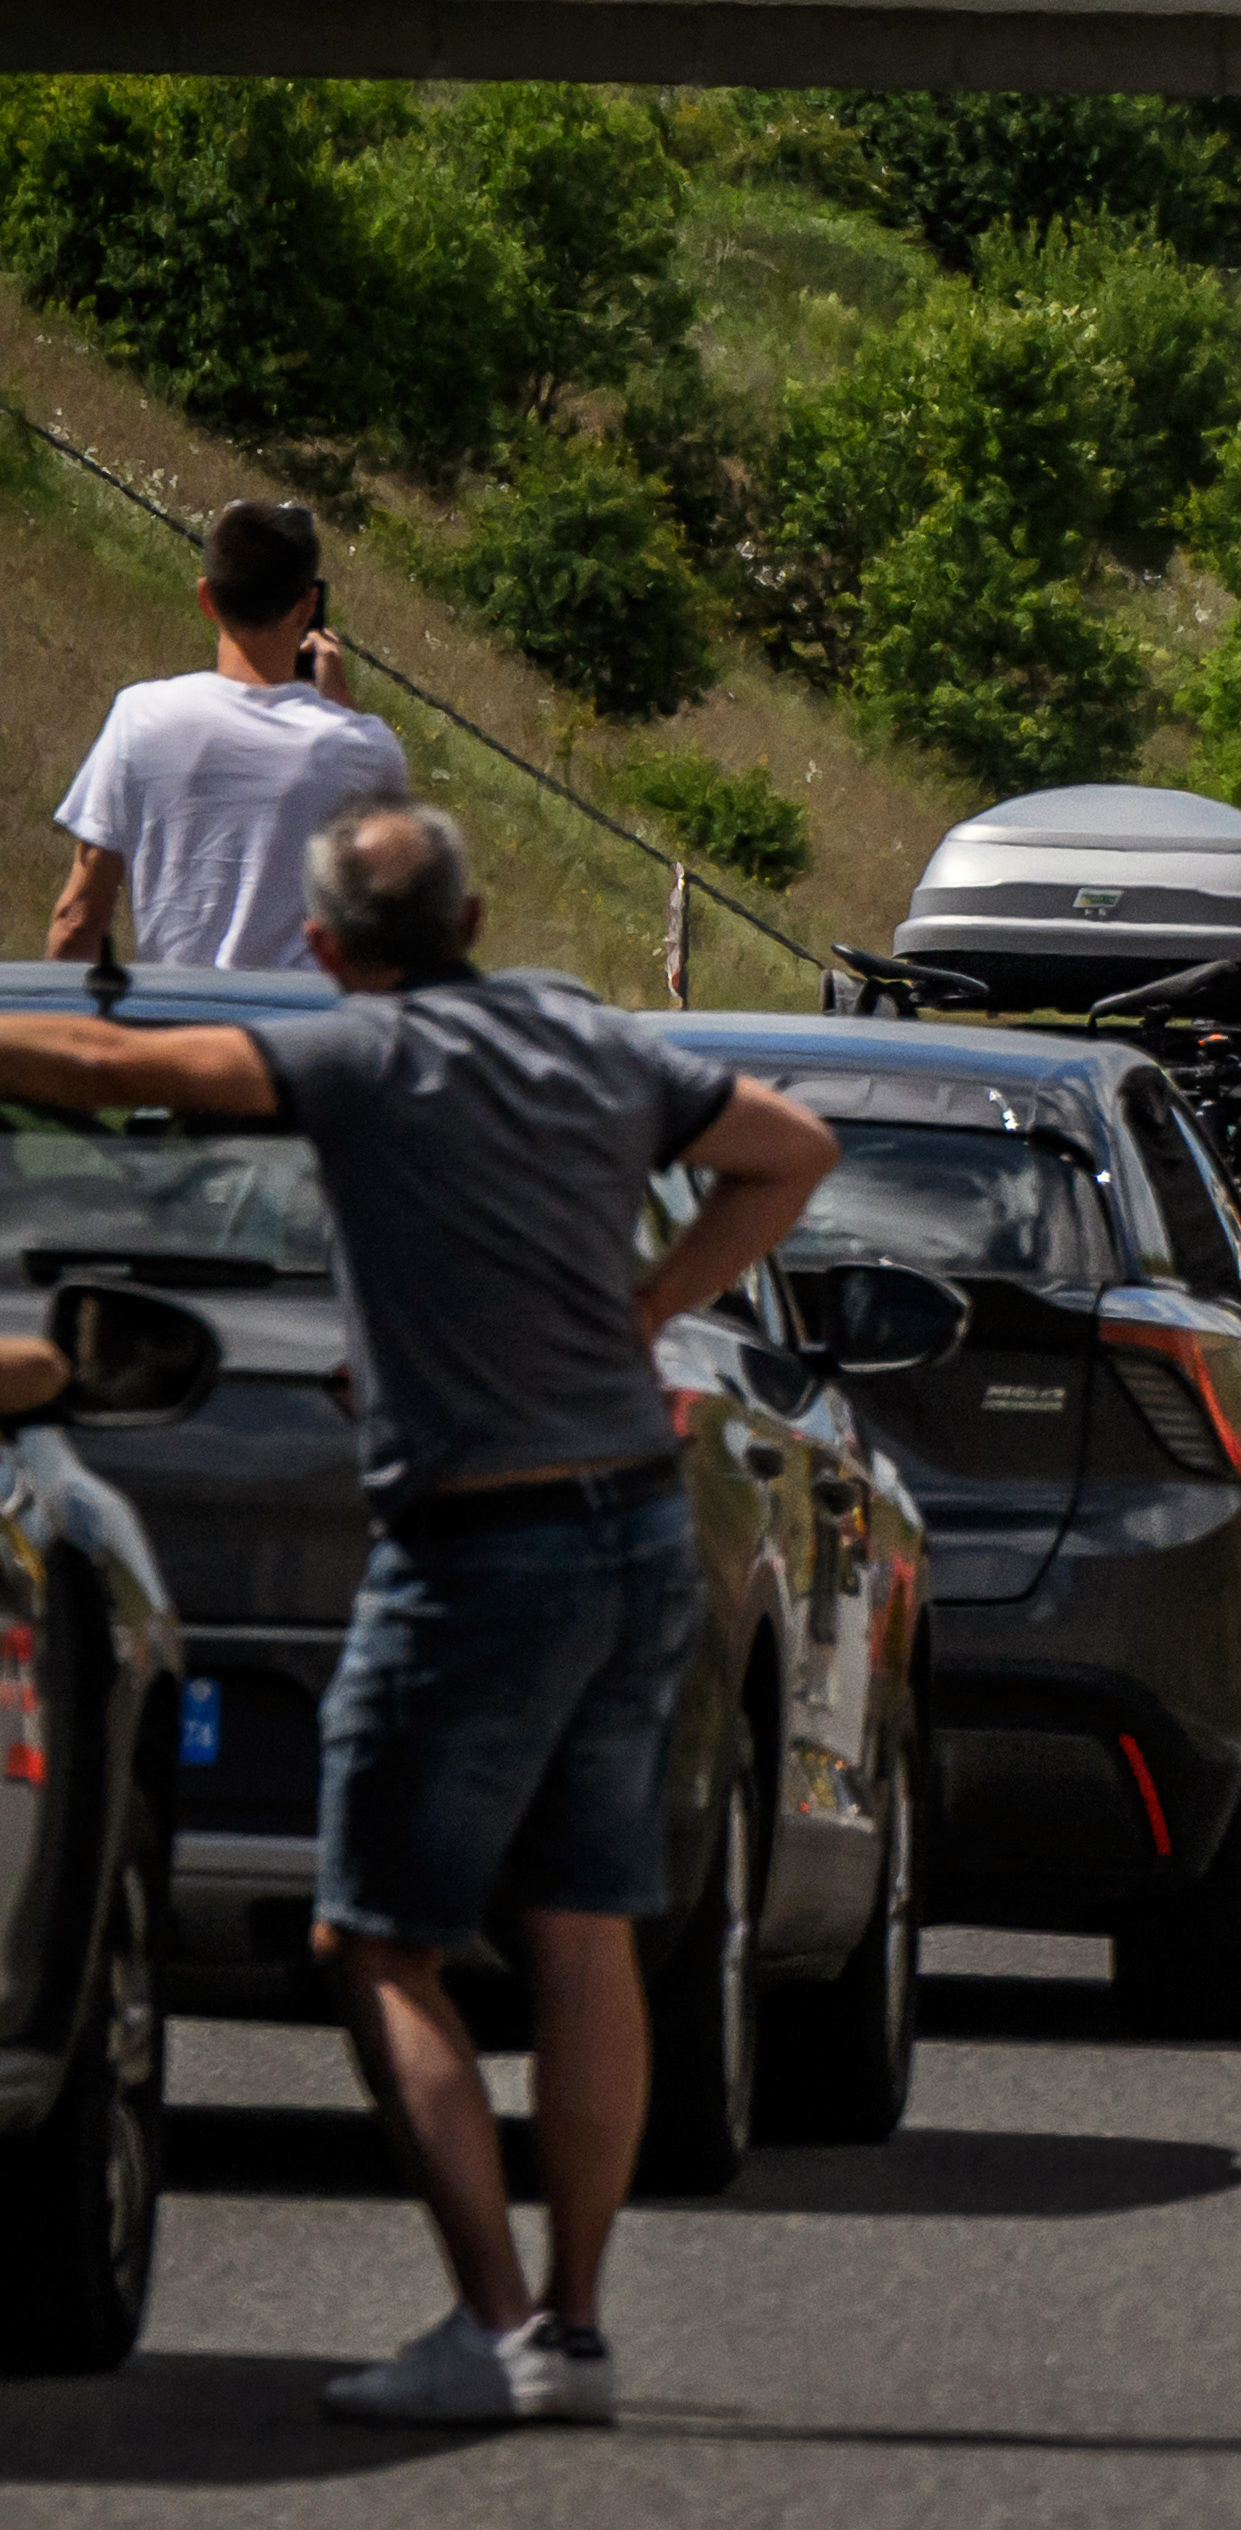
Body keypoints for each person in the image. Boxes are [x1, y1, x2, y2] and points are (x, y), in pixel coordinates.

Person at [0, 803, 837, 2429]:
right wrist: (654, 1304)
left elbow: (109, 1078)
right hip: (635, 1522)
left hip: (473, 1545)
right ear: (475, 912)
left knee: (374, 1936)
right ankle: (577, 2330)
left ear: (323, 954)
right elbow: (792, 1151)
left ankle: (489, 2321)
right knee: (582, 1924)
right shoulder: (590, 1045)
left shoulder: (360, 1061)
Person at [49, 495, 413, 970]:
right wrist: (338, 704)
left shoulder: (139, 716)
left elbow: (78, 919)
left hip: (172, 1030)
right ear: (308, 606)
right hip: (293, 1035)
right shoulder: (366, 750)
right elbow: (388, 922)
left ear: (207, 597)